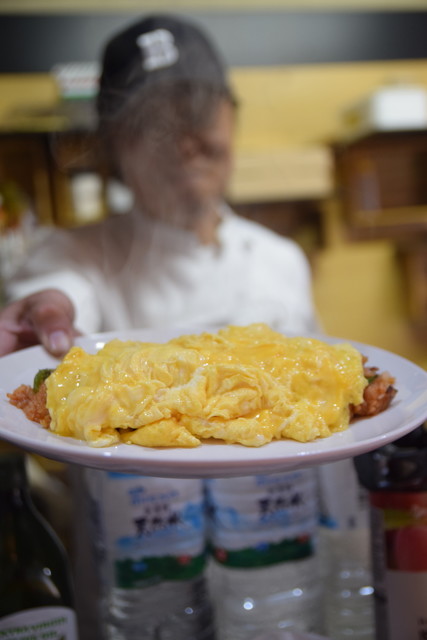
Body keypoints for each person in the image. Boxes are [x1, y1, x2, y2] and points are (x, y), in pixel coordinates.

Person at [0, 14, 321, 640]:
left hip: (279, 574)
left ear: (231, 118)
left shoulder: (281, 261)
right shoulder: (79, 255)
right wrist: (47, 308)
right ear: (115, 147)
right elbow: (56, 292)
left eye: (198, 109)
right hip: (141, 592)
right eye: (156, 119)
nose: (185, 139)